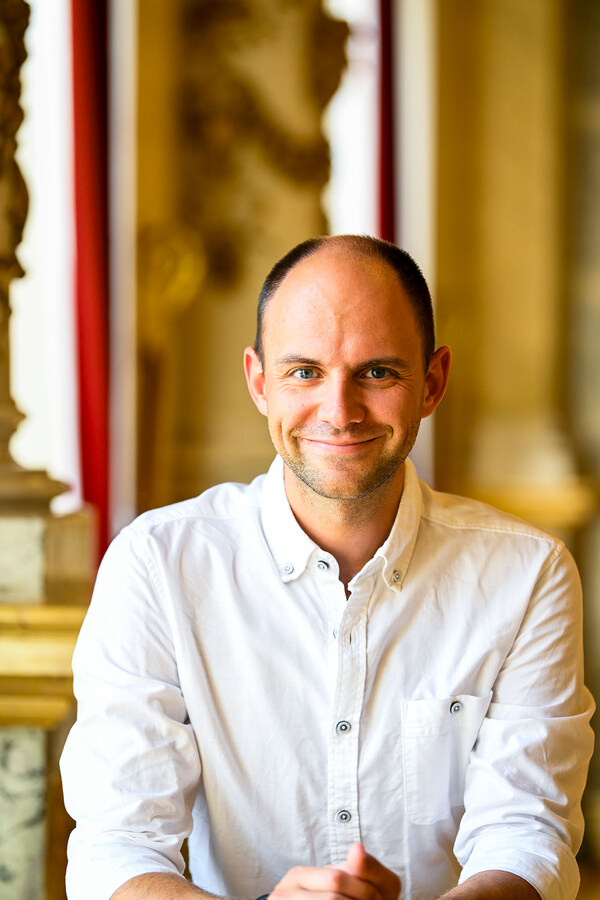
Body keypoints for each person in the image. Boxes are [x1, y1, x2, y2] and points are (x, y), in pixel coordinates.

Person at [60, 235, 594, 900]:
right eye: (304, 372)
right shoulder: (157, 566)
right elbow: (118, 848)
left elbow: (527, 833)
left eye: (377, 372)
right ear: (260, 382)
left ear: (432, 383)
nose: (339, 413)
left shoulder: (528, 573)